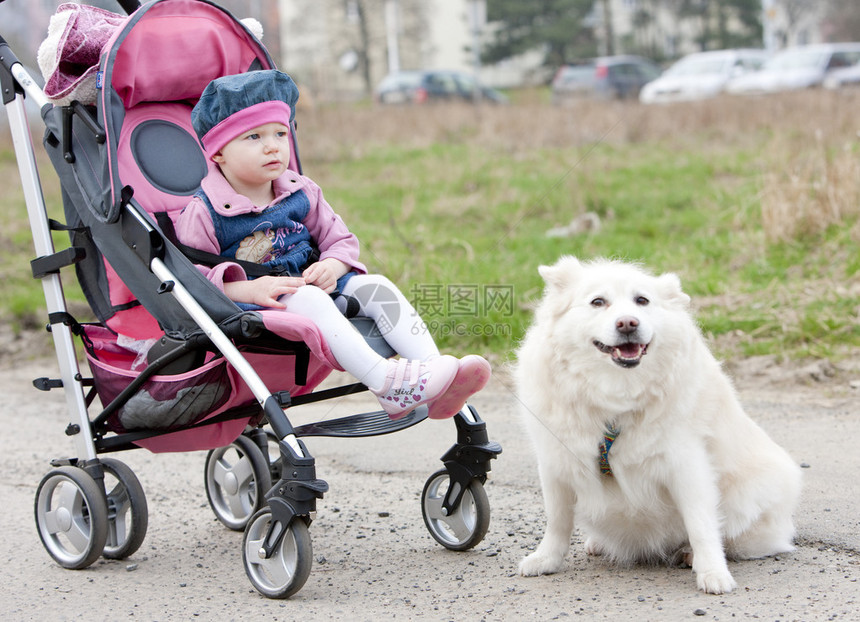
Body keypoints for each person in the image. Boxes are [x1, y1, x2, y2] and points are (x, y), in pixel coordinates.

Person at [175, 70, 490, 420]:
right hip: (257, 307)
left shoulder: (299, 190)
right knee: (308, 297)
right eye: (253, 137)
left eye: (280, 133)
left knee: (377, 287)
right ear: (218, 153)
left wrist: (334, 266)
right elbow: (192, 280)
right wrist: (248, 289)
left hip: (315, 282)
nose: (272, 146)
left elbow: (340, 240)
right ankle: (386, 384)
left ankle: (434, 373)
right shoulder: (204, 212)